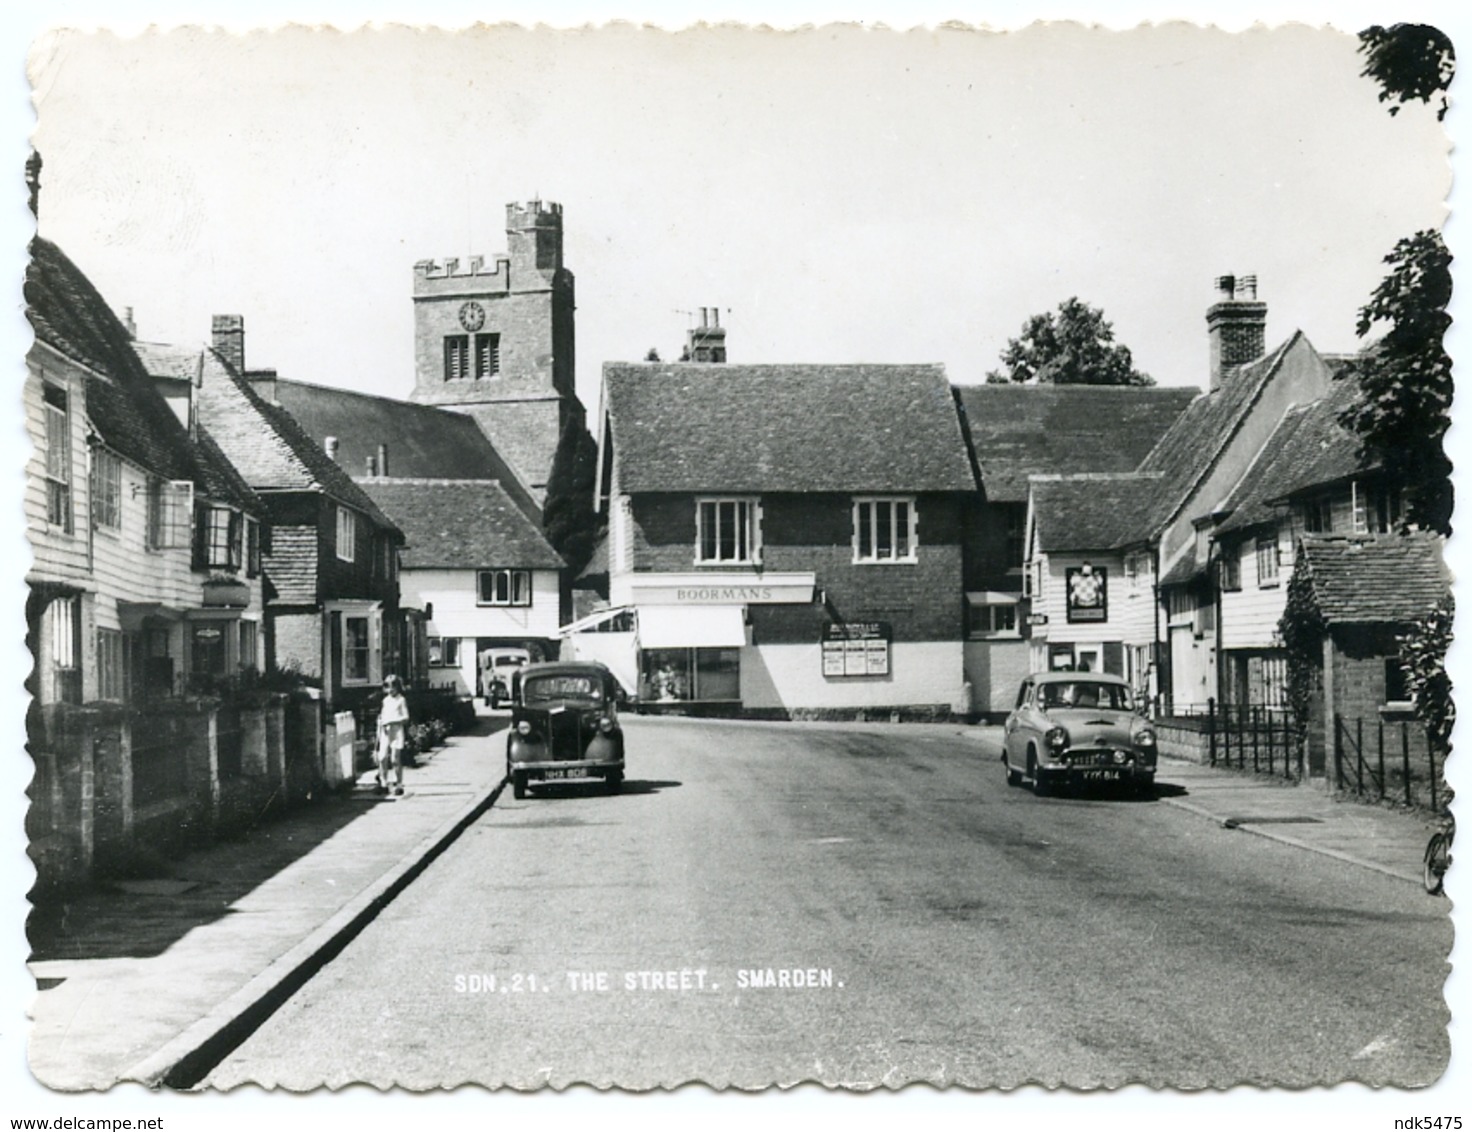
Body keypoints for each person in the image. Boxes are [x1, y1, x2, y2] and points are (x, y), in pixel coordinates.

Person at [377, 674, 411, 796]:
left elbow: (406, 717)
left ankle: (399, 784)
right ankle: (383, 783)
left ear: (398, 687)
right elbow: (382, 716)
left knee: (395, 759)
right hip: (385, 731)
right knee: (382, 757)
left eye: (393, 687)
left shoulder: (401, 700)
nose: (390, 690)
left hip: (396, 731)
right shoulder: (385, 701)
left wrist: (393, 721)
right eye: (388, 687)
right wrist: (381, 723)